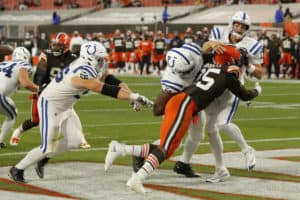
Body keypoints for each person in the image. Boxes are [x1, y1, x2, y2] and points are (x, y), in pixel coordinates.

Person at [104, 45, 261, 194]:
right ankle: (136, 179)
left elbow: (209, 57)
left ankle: (121, 150)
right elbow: (245, 94)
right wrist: (257, 90)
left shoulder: (206, 64)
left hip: (184, 104)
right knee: (165, 148)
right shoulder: (228, 73)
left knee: (170, 147)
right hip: (184, 104)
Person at [9, 41, 153, 183]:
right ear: (91, 58)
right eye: (100, 59)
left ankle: (43, 158)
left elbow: (114, 81)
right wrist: (133, 97)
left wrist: (133, 96)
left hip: (66, 106)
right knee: (47, 147)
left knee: (75, 141)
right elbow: (102, 88)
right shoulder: (82, 71)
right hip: (50, 105)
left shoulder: (88, 66)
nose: (103, 62)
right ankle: (17, 169)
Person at [174, 11, 264, 182]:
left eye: (243, 26)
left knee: (222, 124)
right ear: (232, 23)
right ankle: (221, 169)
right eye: (237, 24)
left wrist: (248, 66)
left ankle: (246, 150)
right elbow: (203, 49)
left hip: (232, 85)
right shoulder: (218, 33)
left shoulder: (252, 44)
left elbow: (260, 73)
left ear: (247, 28)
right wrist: (213, 44)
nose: (239, 28)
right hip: (214, 84)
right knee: (210, 129)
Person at [132, 42, 204, 177]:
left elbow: (206, 49)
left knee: (197, 135)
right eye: (185, 71)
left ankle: (183, 164)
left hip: (194, 101)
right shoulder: (173, 82)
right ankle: (140, 153)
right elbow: (157, 110)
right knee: (171, 141)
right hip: (178, 105)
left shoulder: (192, 50)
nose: (190, 72)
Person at [10, 32, 82, 147]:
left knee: (66, 114)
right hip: (44, 90)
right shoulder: (47, 54)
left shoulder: (73, 59)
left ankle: (77, 137)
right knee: (35, 120)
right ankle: (18, 131)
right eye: (55, 44)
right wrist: (39, 87)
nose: (55, 47)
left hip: (61, 93)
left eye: (59, 45)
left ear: (66, 46)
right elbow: (39, 73)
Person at [0, 47, 39, 148]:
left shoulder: (3, 63)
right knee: (13, 114)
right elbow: (26, 83)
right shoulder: (24, 65)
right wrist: (41, 89)